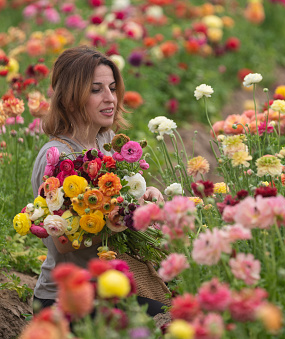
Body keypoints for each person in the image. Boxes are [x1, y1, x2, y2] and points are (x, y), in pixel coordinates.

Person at [31, 46, 166, 317]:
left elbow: (126, 194)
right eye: (96, 90)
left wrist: (146, 196)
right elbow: (63, 243)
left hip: (108, 286)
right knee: (166, 323)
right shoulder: (57, 157)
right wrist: (120, 215)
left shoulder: (104, 142)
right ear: (70, 99)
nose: (110, 99)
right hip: (67, 298)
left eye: (113, 88)